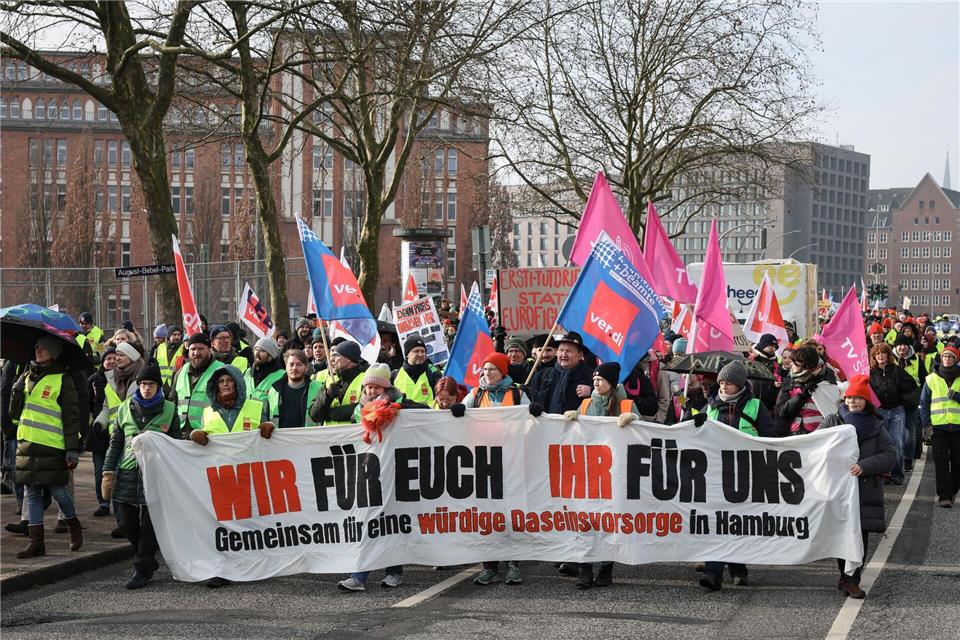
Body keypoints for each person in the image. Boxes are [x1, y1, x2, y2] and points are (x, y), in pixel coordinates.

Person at [338, 364, 427, 592]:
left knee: (392, 522)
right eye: (368, 386)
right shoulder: (359, 409)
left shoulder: (400, 403)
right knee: (368, 521)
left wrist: (400, 409)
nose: (371, 391)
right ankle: (359, 576)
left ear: (386, 388)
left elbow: (426, 410)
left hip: (396, 471)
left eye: (376, 387)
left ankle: (393, 572)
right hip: (369, 471)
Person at [690, 361, 773, 591]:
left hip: (747, 472)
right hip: (717, 473)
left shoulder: (756, 406)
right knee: (718, 520)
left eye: (728, 383)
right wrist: (694, 423)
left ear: (739, 385)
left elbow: (769, 436)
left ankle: (737, 568)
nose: (723, 387)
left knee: (738, 522)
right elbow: (696, 435)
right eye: (721, 383)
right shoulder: (711, 407)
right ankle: (712, 571)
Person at [101, 364, 181, 589]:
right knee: (125, 521)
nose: (146, 388)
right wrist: (107, 471)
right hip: (127, 470)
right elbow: (115, 442)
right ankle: (146, 561)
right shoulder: (125, 408)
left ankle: (142, 568)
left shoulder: (169, 410)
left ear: (158, 387)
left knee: (149, 524)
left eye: (151, 384)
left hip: (155, 472)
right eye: (143, 384)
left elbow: (176, 442)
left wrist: (154, 439)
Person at [563, 362, 640, 589]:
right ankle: (585, 569)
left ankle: (606, 569)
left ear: (612, 383)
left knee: (610, 522)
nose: (596, 383)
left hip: (616, 472)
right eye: (594, 379)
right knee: (586, 521)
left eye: (601, 379)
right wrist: (571, 418)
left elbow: (643, 433)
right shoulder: (586, 404)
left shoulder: (627, 403)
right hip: (589, 471)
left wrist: (634, 420)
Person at [819, 375, 896, 598]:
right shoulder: (832, 421)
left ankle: (853, 578)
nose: (853, 402)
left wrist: (864, 466)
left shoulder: (876, 425)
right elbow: (814, 446)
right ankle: (845, 576)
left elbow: (889, 454)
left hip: (864, 490)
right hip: (836, 490)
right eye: (850, 398)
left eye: (858, 399)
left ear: (866, 402)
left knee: (859, 535)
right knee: (840, 534)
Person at [10, 337, 83, 558]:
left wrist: (72, 449)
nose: (38, 351)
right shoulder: (25, 376)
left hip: (52, 444)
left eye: (43, 348)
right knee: (31, 493)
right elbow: (15, 415)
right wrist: (15, 394)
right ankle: (36, 543)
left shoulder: (63, 379)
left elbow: (71, 417)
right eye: (36, 348)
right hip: (27, 443)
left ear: (54, 352)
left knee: (57, 490)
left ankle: (73, 525)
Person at [868, 343, 916, 485]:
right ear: (874, 357)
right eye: (878, 354)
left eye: (883, 353)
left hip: (896, 411)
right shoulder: (870, 373)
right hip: (879, 412)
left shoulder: (896, 370)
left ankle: (896, 474)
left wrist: (904, 399)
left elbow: (912, 385)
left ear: (888, 356)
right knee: (881, 443)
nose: (880, 356)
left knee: (897, 441)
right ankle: (884, 473)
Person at [919, 345, 960, 507]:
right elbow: (924, 403)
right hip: (938, 428)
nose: (947, 359)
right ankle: (944, 496)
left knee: (958, 462)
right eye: (945, 356)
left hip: (958, 428)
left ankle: (952, 489)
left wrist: (957, 396)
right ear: (941, 359)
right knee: (941, 463)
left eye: (951, 357)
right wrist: (927, 426)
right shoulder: (931, 379)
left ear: (956, 360)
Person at [190, 366, 271, 441]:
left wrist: (267, 427)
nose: (225, 384)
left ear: (237, 383)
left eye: (229, 380)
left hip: (249, 456)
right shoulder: (207, 412)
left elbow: (265, 440)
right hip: (219, 456)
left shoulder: (256, 408)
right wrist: (199, 435)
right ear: (216, 386)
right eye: (221, 381)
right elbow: (205, 443)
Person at [774, 345, 840, 437]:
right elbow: (781, 413)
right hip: (795, 435)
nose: (791, 364)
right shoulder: (790, 382)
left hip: (820, 435)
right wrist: (801, 397)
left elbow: (834, 413)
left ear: (804, 366)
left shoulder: (827, 382)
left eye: (794, 363)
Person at [169, 333, 226, 436]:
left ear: (209, 349)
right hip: (182, 434)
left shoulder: (221, 370)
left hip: (209, 434)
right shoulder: (181, 371)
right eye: (193, 349)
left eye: (201, 349)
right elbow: (173, 400)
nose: (196, 352)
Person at [529, 332, 593, 414]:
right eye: (561, 350)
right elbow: (530, 399)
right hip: (547, 425)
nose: (564, 354)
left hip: (578, 425)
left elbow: (606, 399)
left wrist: (592, 392)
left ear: (580, 355)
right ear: (556, 352)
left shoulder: (591, 376)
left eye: (569, 351)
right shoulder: (542, 376)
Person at [87, 348, 117, 518]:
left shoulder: (122, 379)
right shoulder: (93, 380)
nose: (111, 361)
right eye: (108, 358)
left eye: (115, 358)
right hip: (98, 433)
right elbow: (88, 404)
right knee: (100, 471)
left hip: (116, 432)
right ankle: (103, 503)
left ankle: (119, 504)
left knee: (116, 472)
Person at [309, 341, 368, 425]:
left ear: (348, 358)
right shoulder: (330, 380)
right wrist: (327, 395)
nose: (331, 359)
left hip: (353, 436)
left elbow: (365, 407)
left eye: (336, 356)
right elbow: (314, 415)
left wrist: (330, 414)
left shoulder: (365, 379)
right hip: (330, 437)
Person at [266, 349, 323, 428]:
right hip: (279, 438)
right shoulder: (274, 390)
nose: (294, 368)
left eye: (299, 364)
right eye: (291, 364)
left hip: (309, 438)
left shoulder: (319, 388)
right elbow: (267, 417)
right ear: (286, 366)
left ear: (306, 367)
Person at [894, 334, 926, 466]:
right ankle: (896, 462)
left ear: (908, 347)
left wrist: (919, 396)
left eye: (904, 345)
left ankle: (908, 460)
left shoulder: (917, 360)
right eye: (899, 345)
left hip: (911, 401)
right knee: (896, 434)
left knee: (911, 433)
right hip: (895, 401)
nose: (902, 348)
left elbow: (924, 379)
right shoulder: (890, 359)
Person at [391, 336, 441, 406]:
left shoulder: (434, 374)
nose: (420, 354)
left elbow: (443, 399)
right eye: (416, 351)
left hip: (429, 416)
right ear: (407, 354)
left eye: (423, 351)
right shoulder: (394, 375)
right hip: (403, 416)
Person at [243, 338, 285, 402]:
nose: (257, 353)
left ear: (271, 356)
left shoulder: (282, 375)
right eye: (256, 349)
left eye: (262, 351)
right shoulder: (248, 372)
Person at [750, 334, 782, 412]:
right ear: (763, 345)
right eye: (770, 346)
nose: (773, 349)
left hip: (772, 398)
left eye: (775, 347)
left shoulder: (775, 360)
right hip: (757, 396)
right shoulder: (752, 357)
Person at [152, 325, 183, 390]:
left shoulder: (183, 348)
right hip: (161, 384)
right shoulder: (160, 347)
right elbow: (155, 365)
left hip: (177, 384)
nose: (177, 337)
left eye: (179, 334)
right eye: (174, 334)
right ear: (169, 336)